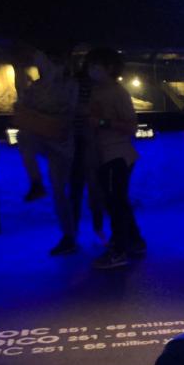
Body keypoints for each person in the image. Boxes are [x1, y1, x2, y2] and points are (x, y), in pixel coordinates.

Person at [14, 49, 79, 255]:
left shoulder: (69, 85)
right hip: (46, 138)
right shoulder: (36, 87)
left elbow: (68, 112)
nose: (37, 64)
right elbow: (22, 106)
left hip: (62, 142)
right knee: (23, 137)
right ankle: (36, 183)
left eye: (40, 60)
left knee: (59, 192)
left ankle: (68, 237)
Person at [86, 47, 144, 269]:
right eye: (90, 65)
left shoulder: (118, 93)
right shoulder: (97, 91)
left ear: (109, 67)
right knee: (118, 202)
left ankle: (119, 251)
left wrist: (101, 122)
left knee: (115, 203)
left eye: (96, 65)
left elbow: (131, 127)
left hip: (118, 155)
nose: (91, 69)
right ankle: (135, 242)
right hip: (105, 155)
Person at [68, 53, 106, 243]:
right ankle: (95, 229)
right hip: (87, 141)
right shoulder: (95, 85)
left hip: (80, 141)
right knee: (92, 188)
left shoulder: (73, 83)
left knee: (79, 188)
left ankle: (74, 233)